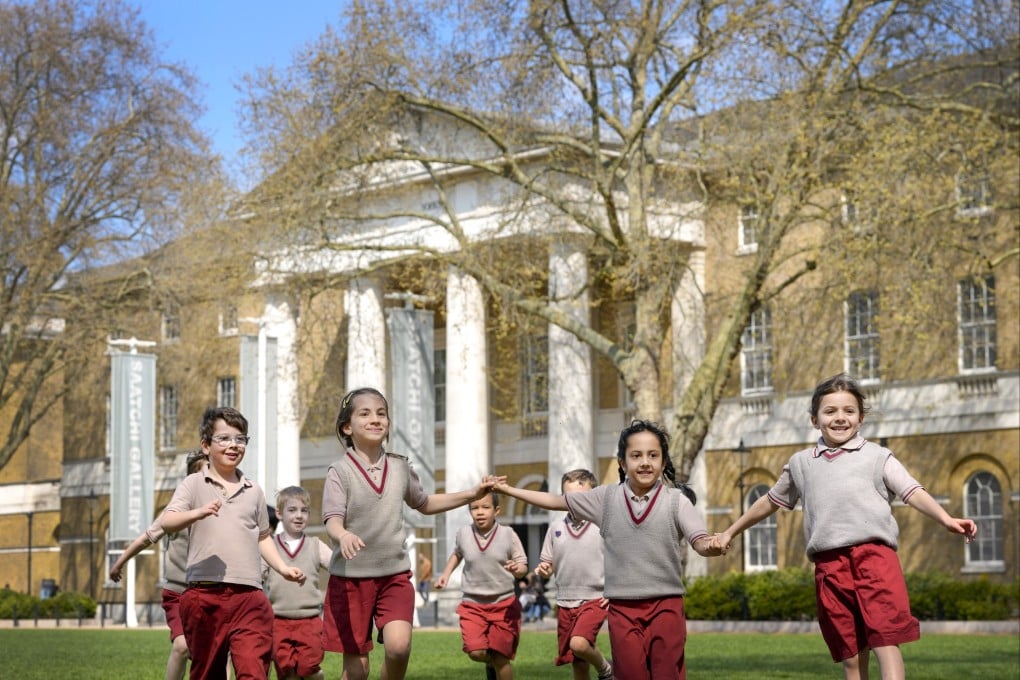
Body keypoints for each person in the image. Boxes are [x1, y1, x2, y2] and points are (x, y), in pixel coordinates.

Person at [717, 374, 978, 680]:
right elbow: (769, 502)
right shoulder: (801, 463)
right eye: (830, 412)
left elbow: (911, 491)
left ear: (861, 418)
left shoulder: (878, 457)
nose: (840, 418)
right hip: (829, 567)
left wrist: (946, 519)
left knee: (886, 642)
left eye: (848, 411)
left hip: (875, 560)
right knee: (852, 656)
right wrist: (729, 531)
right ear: (814, 419)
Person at [492, 419, 723, 680]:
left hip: (666, 606)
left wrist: (712, 545)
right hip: (623, 609)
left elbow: (700, 540)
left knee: (667, 674)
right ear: (623, 463)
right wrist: (507, 490)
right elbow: (554, 501)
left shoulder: (676, 501)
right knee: (630, 675)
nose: (645, 462)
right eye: (636, 456)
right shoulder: (605, 498)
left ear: (663, 462)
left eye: (653, 455)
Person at [321, 387, 498, 680]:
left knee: (399, 648)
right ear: (347, 427)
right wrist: (343, 536)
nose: (376, 419)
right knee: (357, 669)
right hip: (350, 580)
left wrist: (472, 493)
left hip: (394, 576)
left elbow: (425, 503)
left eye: (382, 413)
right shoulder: (339, 471)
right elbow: (332, 519)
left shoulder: (400, 466)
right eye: (365, 414)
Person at [162, 406, 306, 680]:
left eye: (240, 439)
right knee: (208, 673)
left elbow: (262, 537)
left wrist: (283, 568)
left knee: (253, 670)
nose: (233, 445)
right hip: (204, 597)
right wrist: (198, 512)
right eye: (224, 438)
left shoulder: (254, 491)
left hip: (249, 598)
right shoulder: (193, 484)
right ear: (206, 445)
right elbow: (168, 521)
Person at [109, 449, 207, 680]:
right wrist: (120, 562)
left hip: (209, 594)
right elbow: (146, 537)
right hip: (178, 593)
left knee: (216, 652)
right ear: (190, 480)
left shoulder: (221, 511)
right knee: (182, 646)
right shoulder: (175, 512)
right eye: (202, 475)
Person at [434, 492, 529, 680]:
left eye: (485, 507)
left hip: (503, 604)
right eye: (474, 508)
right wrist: (445, 574)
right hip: (473, 604)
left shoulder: (508, 534)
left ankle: (496, 663)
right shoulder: (463, 533)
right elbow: (457, 554)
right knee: (475, 652)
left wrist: (517, 569)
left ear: (497, 510)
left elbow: (523, 567)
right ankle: (490, 663)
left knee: (501, 658)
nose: (480, 512)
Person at [534, 469, 613, 680]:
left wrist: (614, 588)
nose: (575, 502)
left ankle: (606, 670)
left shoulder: (604, 524)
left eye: (582, 497)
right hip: (565, 601)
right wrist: (544, 569)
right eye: (569, 497)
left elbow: (622, 559)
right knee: (578, 662)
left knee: (578, 644)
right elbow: (547, 563)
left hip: (596, 598)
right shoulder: (555, 528)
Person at [263, 486, 331, 680]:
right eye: (292, 510)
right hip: (278, 621)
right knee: (285, 671)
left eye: (304, 511)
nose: (299, 515)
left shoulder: (316, 545)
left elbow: (337, 565)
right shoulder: (269, 547)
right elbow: (255, 576)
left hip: (309, 620)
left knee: (308, 668)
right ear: (279, 513)